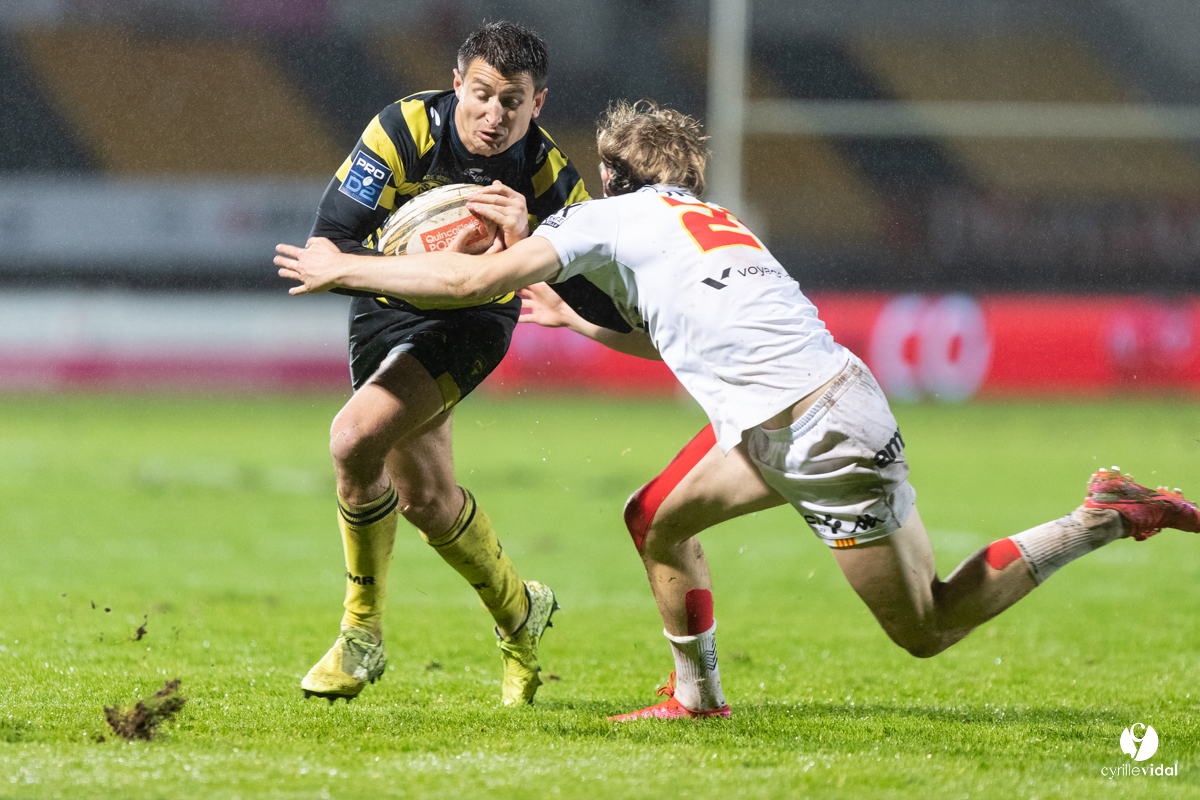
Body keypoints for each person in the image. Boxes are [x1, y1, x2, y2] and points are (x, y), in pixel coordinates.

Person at [276, 99, 1200, 719]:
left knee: (928, 626)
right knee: (655, 518)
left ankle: (1097, 520)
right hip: (824, 405)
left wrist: (344, 266)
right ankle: (696, 698)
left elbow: (470, 280)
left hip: (809, 432)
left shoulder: (606, 216)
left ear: (612, 175)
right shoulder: (714, 225)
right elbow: (670, 337)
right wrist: (579, 321)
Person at [295, 20, 598, 706]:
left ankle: (360, 633)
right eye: (482, 95)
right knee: (427, 500)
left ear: (538, 103)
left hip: (474, 320)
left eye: (513, 102)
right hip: (387, 303)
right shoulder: (403, 131)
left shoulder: (546, 173)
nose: (495, 116)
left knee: (353, 438)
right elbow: (331, 244)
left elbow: (596, 282)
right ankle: (521, 613)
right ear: (457, 83)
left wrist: (530, 237)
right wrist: (426, 264)